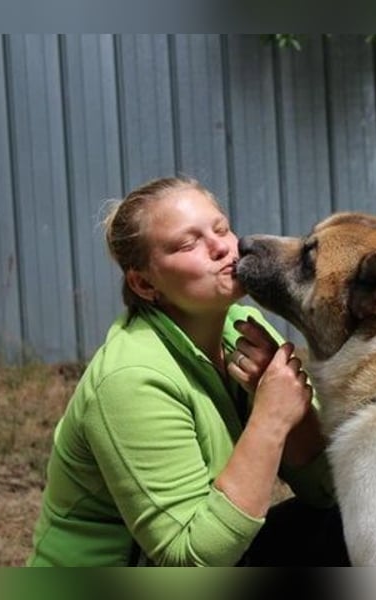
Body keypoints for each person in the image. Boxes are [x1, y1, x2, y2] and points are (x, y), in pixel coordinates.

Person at [27, 176, 349, 566]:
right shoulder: (131, 378)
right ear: (144, 284)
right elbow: (190, 561)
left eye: (222, 229)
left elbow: (329, 494)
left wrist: (295, 415)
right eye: (187, 243)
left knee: (350, 525)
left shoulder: (241, 327)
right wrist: (271, 419)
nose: (221, 248)